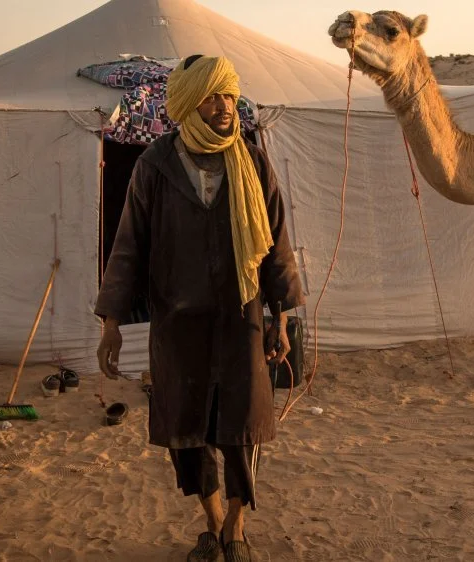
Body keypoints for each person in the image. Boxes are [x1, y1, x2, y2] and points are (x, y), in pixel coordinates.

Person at [94, 54, 304, 562]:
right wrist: (112, 322)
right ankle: (210, 523)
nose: (224, 105)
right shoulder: (155, 165)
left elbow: (276, 242)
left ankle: (235, 526)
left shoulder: (252, 161)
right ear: (189, 104)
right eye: (211, 97)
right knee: (186, 433)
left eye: (228, 95)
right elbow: (128, 245)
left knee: (241, 428)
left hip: (241, 319)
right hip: (178, 323)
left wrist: (281, 317)